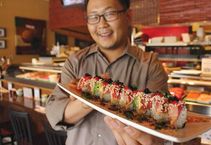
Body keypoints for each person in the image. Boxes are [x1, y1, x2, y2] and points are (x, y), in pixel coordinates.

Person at [45, 0, 168, 145]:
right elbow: (55, 114)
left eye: (110, 14)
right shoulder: (75, 62)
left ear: (128, 16)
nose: (101, 24)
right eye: (93, 17)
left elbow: (159, 124)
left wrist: (82, 98)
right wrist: (92, 96)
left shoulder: (150, 65)